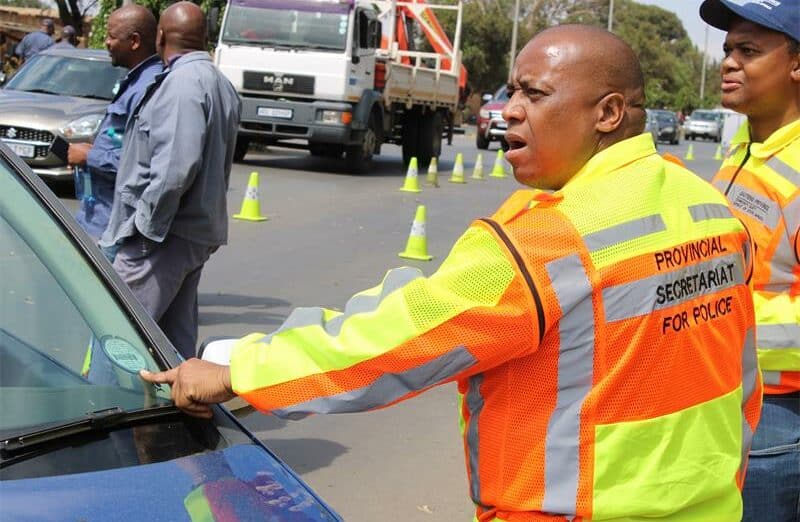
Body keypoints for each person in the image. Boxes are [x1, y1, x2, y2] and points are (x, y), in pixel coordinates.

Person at [142, 25, 761, 520]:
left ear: (608, 113)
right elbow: (741, 380)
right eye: (512, 91)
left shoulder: (549, 240)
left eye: (535, 95)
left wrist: (242, 371)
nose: (508, 112)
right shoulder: (704, 205)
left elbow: (399, 342)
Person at [699, 1, 800, 520]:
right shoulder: (745, 149)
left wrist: (719, 321)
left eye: (749, 50)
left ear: (796, 65)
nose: (729, 62)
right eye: (727, 49)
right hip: (734, 401)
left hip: (780, 419)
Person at [99, 2, 240, 360]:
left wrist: (145, 230)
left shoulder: (182, 84)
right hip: (190, 233)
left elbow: (175, 170)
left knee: (117, 329)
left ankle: (98, 409)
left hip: (164, 236)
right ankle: (184, 413)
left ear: (160, 36)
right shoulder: (217, 83)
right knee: (173, 342)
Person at [67, 5, 162, 242]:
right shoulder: (136, 81)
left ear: (135, 41)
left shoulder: (147, 88)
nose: (106, 42)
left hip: (111, 224)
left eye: (111, 36)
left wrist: (90, 157)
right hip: (97, 215)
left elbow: (143, 162)